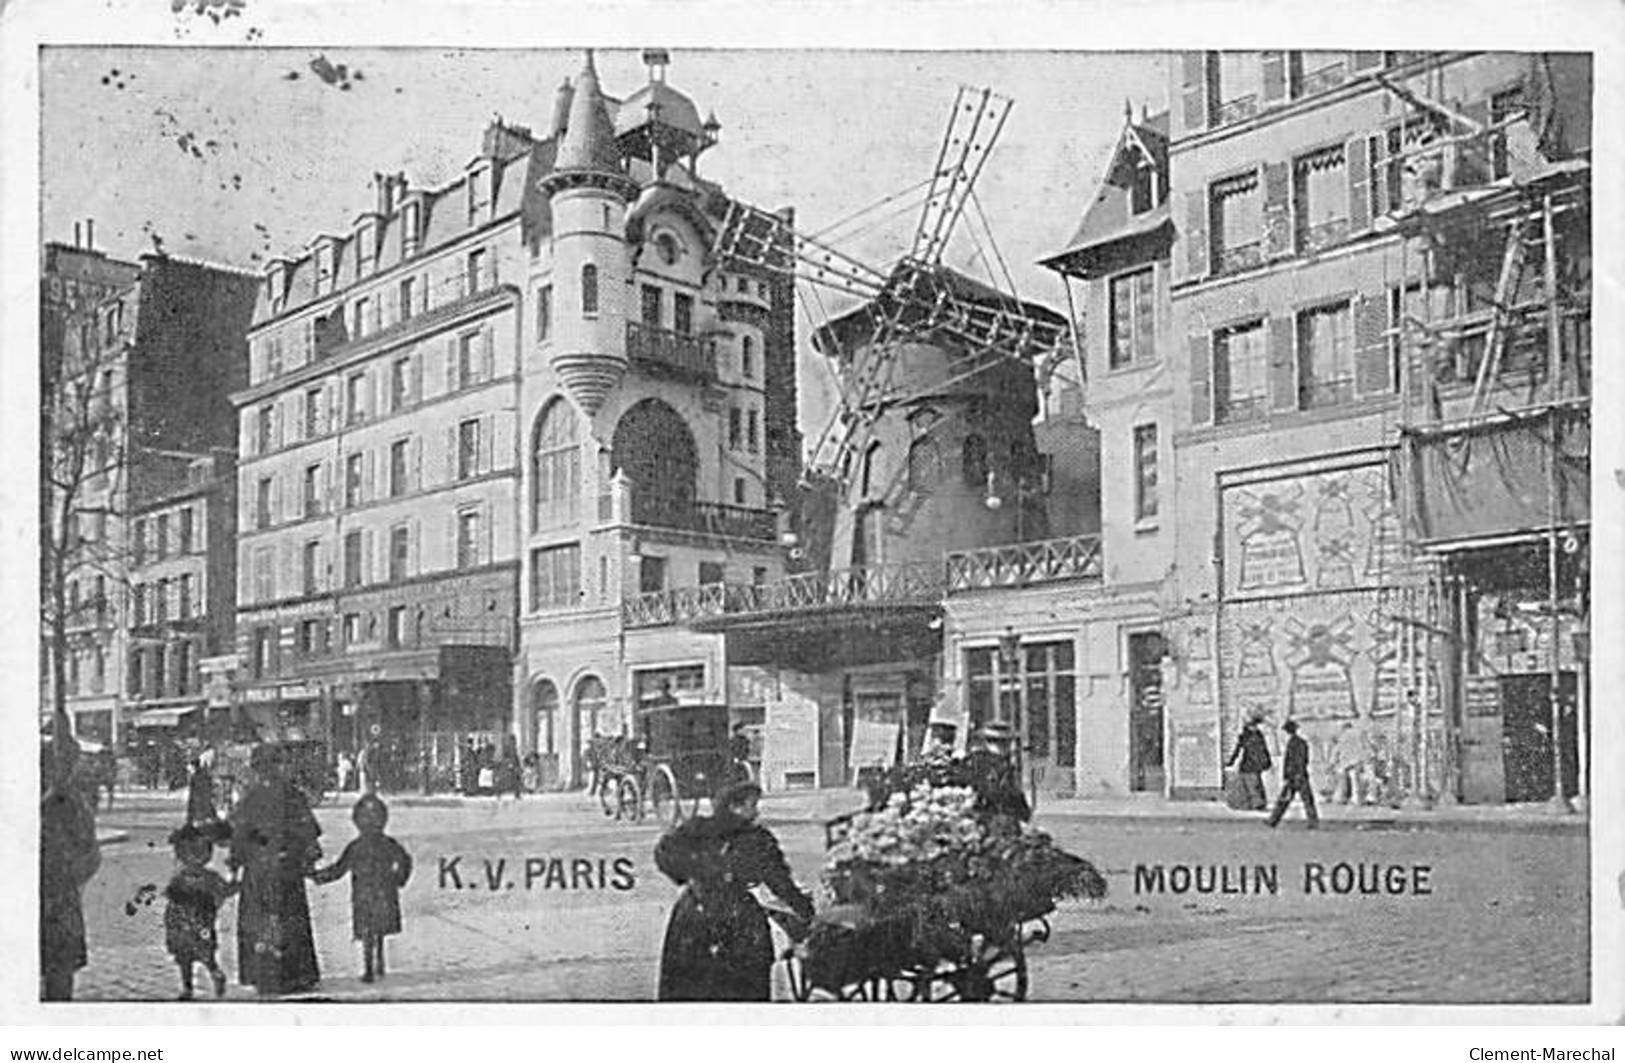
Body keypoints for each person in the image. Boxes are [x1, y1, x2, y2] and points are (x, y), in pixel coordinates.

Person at [654, 780, 814, 1001]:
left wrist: (690, 876)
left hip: (693, 911)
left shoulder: (695, 829)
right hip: (738, 916)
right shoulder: (756, 838)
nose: (756, 812)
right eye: (752, 805)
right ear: (734, 806)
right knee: (744, 984)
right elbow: (780, 882)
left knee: (689, 982)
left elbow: (664, 854)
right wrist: (805, 911)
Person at [228, 744, 323, 996]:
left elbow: (238, 835)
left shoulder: (250, 797)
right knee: (289, 918)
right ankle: (295, 974)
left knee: (260, 920)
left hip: (258, 871)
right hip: (287, 868)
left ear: (257, 769)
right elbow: (308, 832)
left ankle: (260, 974)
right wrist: (310, 862)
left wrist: (235, 866)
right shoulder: (293, 795)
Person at [311, 794, 413, 983]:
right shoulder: (388, 844)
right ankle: (379, 962)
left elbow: (339, 869)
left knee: (367, 931)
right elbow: (405, 860)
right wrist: (400, 879)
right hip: (384, 891)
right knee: (378, 930)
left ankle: (369, 968)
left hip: (364, 894)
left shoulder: (356, 846)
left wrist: (317, 877)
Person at [40, 740, 101, 1002]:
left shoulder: (73, 801)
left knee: (59, 970)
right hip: (56, 895)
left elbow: (90, 853)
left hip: (59, 895)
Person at [163, 822, 237, 1000]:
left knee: (205, 956)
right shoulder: (182, 876)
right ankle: (188, 988)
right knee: (185, 959)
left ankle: (215, 976)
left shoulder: (205, 877)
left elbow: (224, 890)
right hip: (182, 924)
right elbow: (171, 894)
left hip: (198, 922)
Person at [1267, 720, 1320, 829]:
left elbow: (1294, 761)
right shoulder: (1301, 742)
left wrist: (1288, 775)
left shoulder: (1294, 743)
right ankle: (1312, 821)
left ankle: (1273, 820)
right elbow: (1304, 760)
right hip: (1300, 775)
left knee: (1285, 799)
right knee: (1306, 800)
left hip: (1294, 776)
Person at [1226, 711, 1273, 811]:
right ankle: (1257, 804)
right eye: (1254, 726)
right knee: (1253, 784)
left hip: (1253, 763)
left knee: (1254, 784)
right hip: (1250, 763)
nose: (1256, 727)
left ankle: (1257, 804)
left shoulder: (1254, 735)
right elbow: (1238, 749)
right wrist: (1231, 761)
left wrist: (1267, 761)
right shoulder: (1248, 736)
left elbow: (1264, 749)